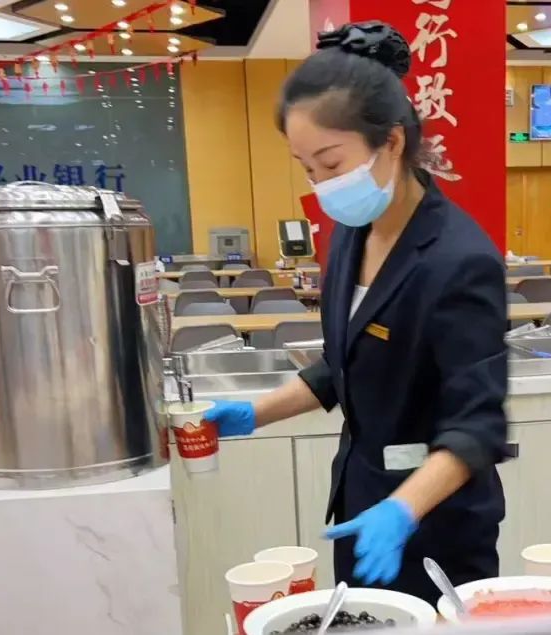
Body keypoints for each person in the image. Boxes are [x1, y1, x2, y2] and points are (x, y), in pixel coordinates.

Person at [203, 21, 509, 605]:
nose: (320, 184)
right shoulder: (350, 234)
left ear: (391, 142)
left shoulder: (458, 259)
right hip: (363, 497)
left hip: (435, 516)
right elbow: (349, 361)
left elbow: (477, 426)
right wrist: (256, 411)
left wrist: (403, 508)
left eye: (331, 162)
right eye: (306, 167)